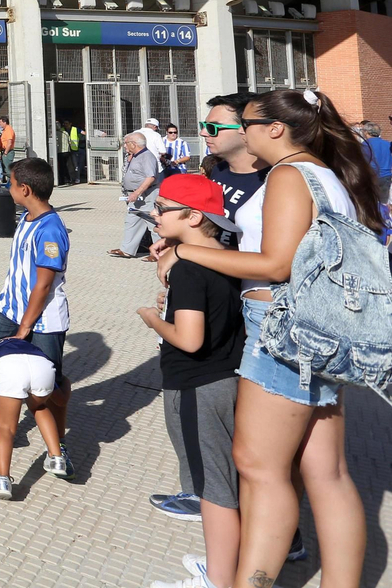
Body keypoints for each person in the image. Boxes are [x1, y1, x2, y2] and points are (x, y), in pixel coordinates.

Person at [149, 88, 378, 588]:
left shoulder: (290, 175)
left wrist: (190, 254)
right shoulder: (325, 174)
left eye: (248, 123)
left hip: (281, 329)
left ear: (275, 129)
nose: (242, 132)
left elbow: (276, 264)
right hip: (318, 330)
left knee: (258, 467)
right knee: (327, 474)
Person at [136, 174, 244, 588]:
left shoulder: (188, 272)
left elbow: (189, 338)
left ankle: (219, 579)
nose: (155, 215)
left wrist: (152, 318)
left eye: (162, 208)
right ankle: (224, 566)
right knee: (223, 482)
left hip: (197, 387)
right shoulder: (228, 255)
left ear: (194, 216)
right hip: (226, 379)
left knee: (212, 492)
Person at [0, 158, 73, 477]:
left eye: (9, 183)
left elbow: (44, 283)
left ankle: (59, 445)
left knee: (49, 388)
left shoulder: (51, 229)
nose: (6, 188)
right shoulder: (26, 217)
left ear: (24, 189)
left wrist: (25, 328)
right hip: (7, 307)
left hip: (42, 320)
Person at [0, 337, 64, 501]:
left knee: (5, 427)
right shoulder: (37, 351)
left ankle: (2, 481)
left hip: (11, 369)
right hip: (43, 368)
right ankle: (57, 459)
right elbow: (60, 398)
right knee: (38, 407)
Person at [109, 132, 160, 258]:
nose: (124, 146)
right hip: (136, 197)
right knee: (132, 221)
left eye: (126, 143)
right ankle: (127, 250)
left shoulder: (147, 156)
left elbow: (150, 177)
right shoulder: (134, 156)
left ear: (134, 144)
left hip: (147, 195)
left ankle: (159, 251)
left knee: (152, 222)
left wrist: (137, 192)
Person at [362, 121, 391, 201]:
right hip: (386, 176)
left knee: (371, 202)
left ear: (366, 132)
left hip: (371, 177)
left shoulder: (364, 145)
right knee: (383, 202)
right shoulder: (388, 144)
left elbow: (362, 162)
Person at [0, 116, 16, 181]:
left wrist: (6, 152)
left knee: (8, 169)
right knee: (6, 169)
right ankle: (8, 183)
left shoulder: (9, 130)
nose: (0, 124)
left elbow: (9, 143)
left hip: (8, 151)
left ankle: (10, 183)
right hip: (4, 151)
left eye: (0, 122)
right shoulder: (4, 130)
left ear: (5, 122)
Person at [56, 119, 75, 185]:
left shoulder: (55, 134)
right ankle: (69, 180)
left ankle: (62, 180)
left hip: (59, 152)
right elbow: (69, 142)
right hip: (67, 151)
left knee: (61, 167)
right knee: (68, 166)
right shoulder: (65, 133)